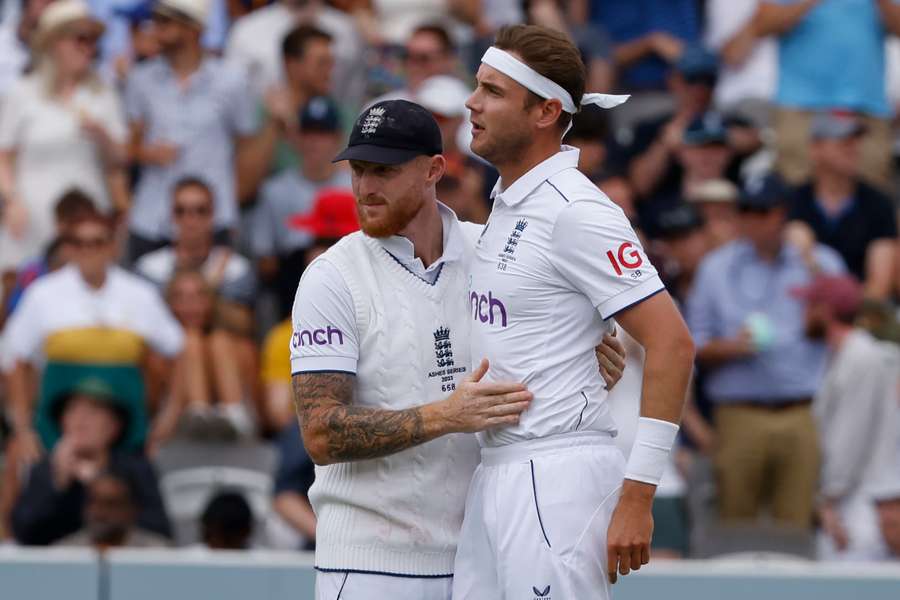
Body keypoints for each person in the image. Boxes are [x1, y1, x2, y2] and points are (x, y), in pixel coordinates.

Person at [291, 99, 627, 598]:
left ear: (433, 170)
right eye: (358, 170)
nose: (364, 188)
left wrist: (584, 362)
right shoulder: (331, 276)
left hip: (482, 556)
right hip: (367, 564)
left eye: (383, 170)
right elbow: (320, 432)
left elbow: (548, 355)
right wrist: (446, 415)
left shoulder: (491, 253)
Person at [456, 24, 694, 597]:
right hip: (498, 472)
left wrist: (638, 494)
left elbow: (672, 343)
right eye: (477, 85)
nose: (472, 101)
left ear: (544, 112)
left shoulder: (577, 210)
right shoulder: (512, 202)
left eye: (493, 91)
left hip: (554, 477)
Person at [685, 173, 846, 528]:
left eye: (763, 212)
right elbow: (691, 344)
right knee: (734, 523)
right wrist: (730, 348)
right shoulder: (716, 268)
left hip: (802, 410)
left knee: (796, 523)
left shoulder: (819, 262)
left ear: (782, 215)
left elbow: (847, 319)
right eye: (747, 211)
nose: (752, 220)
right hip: (738, 412)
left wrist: (813, 269)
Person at [1, 210, 184, 464]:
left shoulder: (140, 294)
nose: (89, 250)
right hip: (54, 434)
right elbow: (13, 356)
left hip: (128, 436)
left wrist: (169, 416)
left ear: (113, 246)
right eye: (79, 243)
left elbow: (178, 350)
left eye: (98, 242)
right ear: (68, 249)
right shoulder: (43, 294)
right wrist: (22, 429)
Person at [0, 0, 128, 273]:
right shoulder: (22, 93)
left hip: (87, 221)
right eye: (81, 39)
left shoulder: (102, 93)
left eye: (93, 40)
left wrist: (102, 137)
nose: (89, 48)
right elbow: (3, 154)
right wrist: (10, 200)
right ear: (54, 43)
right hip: (30, 220)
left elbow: (120, 160)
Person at [124, 0, 258, 261]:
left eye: (165, 21)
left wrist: (233, 200)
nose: (155, 29)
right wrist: (148, 154)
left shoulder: (232, 80)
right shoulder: (139, 79)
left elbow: (247, 147)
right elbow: (130, 146)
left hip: (213, 216)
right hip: (153, 216)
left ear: (192, 28)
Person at [793, 274, 900, 561]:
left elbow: (850, 437)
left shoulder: (860, 358)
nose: (802, 313)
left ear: (825, 310)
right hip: (857, 505)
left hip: (857, 513)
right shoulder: (850, 355)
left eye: (808, 305)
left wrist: (828, 500)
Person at [755, 0, 900, 191]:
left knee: (872, 195)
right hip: (801, 105)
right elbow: (762, 25)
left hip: (866, 104)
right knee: (795, 190)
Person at [11, 377, 170, 546]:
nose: (81, 420)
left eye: (93, 411)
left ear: (114, 426)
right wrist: (59, 485)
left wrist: (102, 485)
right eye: (72, 410)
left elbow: (159, 529)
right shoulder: (45, 471)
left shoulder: (136, 469)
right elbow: (24, 533)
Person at [259, 182, 359, 432]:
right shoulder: (285, 335)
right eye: (318, 242)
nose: (322, 253)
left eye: (335, 242)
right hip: (310, 451)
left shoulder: (391, 317)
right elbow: (278, 415)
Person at [252, 96, 351, 315]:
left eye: (322, 133)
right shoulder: (274, 190)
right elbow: (265, 262)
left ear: (338, 138)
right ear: (296, 138)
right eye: (308, 133)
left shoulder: (355, 188)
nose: (314, 141)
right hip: (291, 286)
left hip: (349, 279)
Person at [788, 112, 898, 299]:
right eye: (842, 141)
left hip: (858, 315)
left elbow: (879, 285)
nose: (853, 148)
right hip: (801, 306)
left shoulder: (878, 204)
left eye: (855, 140)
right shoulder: (792, 201)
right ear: (816, 148)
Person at [236, 24, 336, 201]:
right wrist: (274, 124)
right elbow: (243, 188)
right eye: (322, 63)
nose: (330, 71)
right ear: (292, 64)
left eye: (331, 63)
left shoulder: (340, 112)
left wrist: (295, 131)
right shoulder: (260, 112)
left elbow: (349, 177)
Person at [135, 177, 257, 322]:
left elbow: (242, 325)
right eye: (181, 211)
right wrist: (212, 286)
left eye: (200, 211)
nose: (190, 220)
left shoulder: (237, 269)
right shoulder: (147, 270)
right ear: (171, 216)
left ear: (213, 215)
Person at [56, 468, 171, 550]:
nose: (99, 512)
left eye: (110, 504)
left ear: (133, 509)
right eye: (93, 502)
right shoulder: (63, 554)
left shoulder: (159, 554)